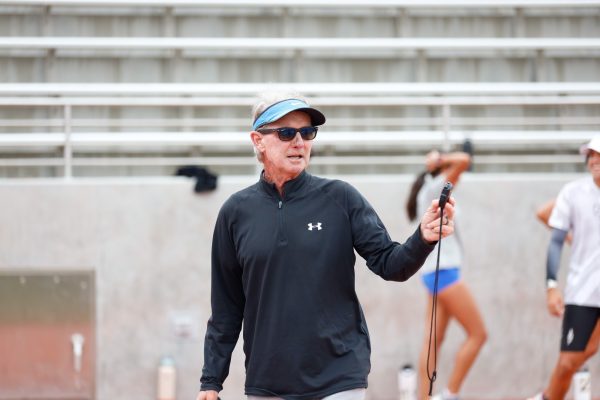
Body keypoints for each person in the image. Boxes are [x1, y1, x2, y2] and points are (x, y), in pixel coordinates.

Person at [196, 92, 457, 400]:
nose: (299, 141)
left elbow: (391, 264)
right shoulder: (235, 213)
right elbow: (226, 308)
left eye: (307, 132)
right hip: (267, 384)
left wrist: (423, 238)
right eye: (286, 132)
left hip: (339, 378)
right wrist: (211, 382)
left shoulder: (341, 198)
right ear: (258, 140)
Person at [405, 150, 486, 400]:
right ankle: (450, 395)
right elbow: (464, 160)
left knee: (433, 341)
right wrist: (439, 160)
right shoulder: (434, 189)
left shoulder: (430, 189)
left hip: (436, 273)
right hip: (444, 272)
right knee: (478, 334)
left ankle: (424, 398)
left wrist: (439, 163)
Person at [529, 136, 600, 400]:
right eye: (591, 155)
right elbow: (556, 240)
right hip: (582, 293)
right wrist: (551, 286)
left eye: (599, 155)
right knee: (569, 363)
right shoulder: (574, 192)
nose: (595, 160)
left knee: (586, 353)